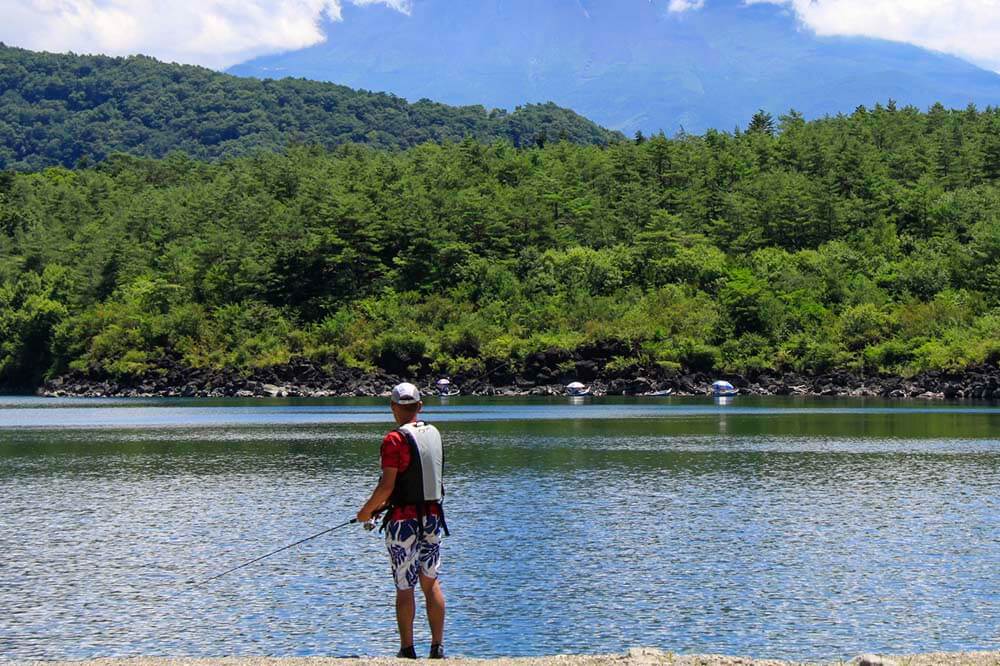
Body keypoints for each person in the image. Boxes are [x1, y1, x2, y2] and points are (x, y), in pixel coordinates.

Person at [357, 382, 448, 659]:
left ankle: (407, 650)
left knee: (404, 585)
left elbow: (387, 486)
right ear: (420, 406)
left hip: (403, 523)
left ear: (393, 407)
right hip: (433, 517)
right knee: (430, 581)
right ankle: (437, 648)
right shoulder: (434, 433)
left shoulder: (393, 440)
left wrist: (366, 512)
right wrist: (381, 506)